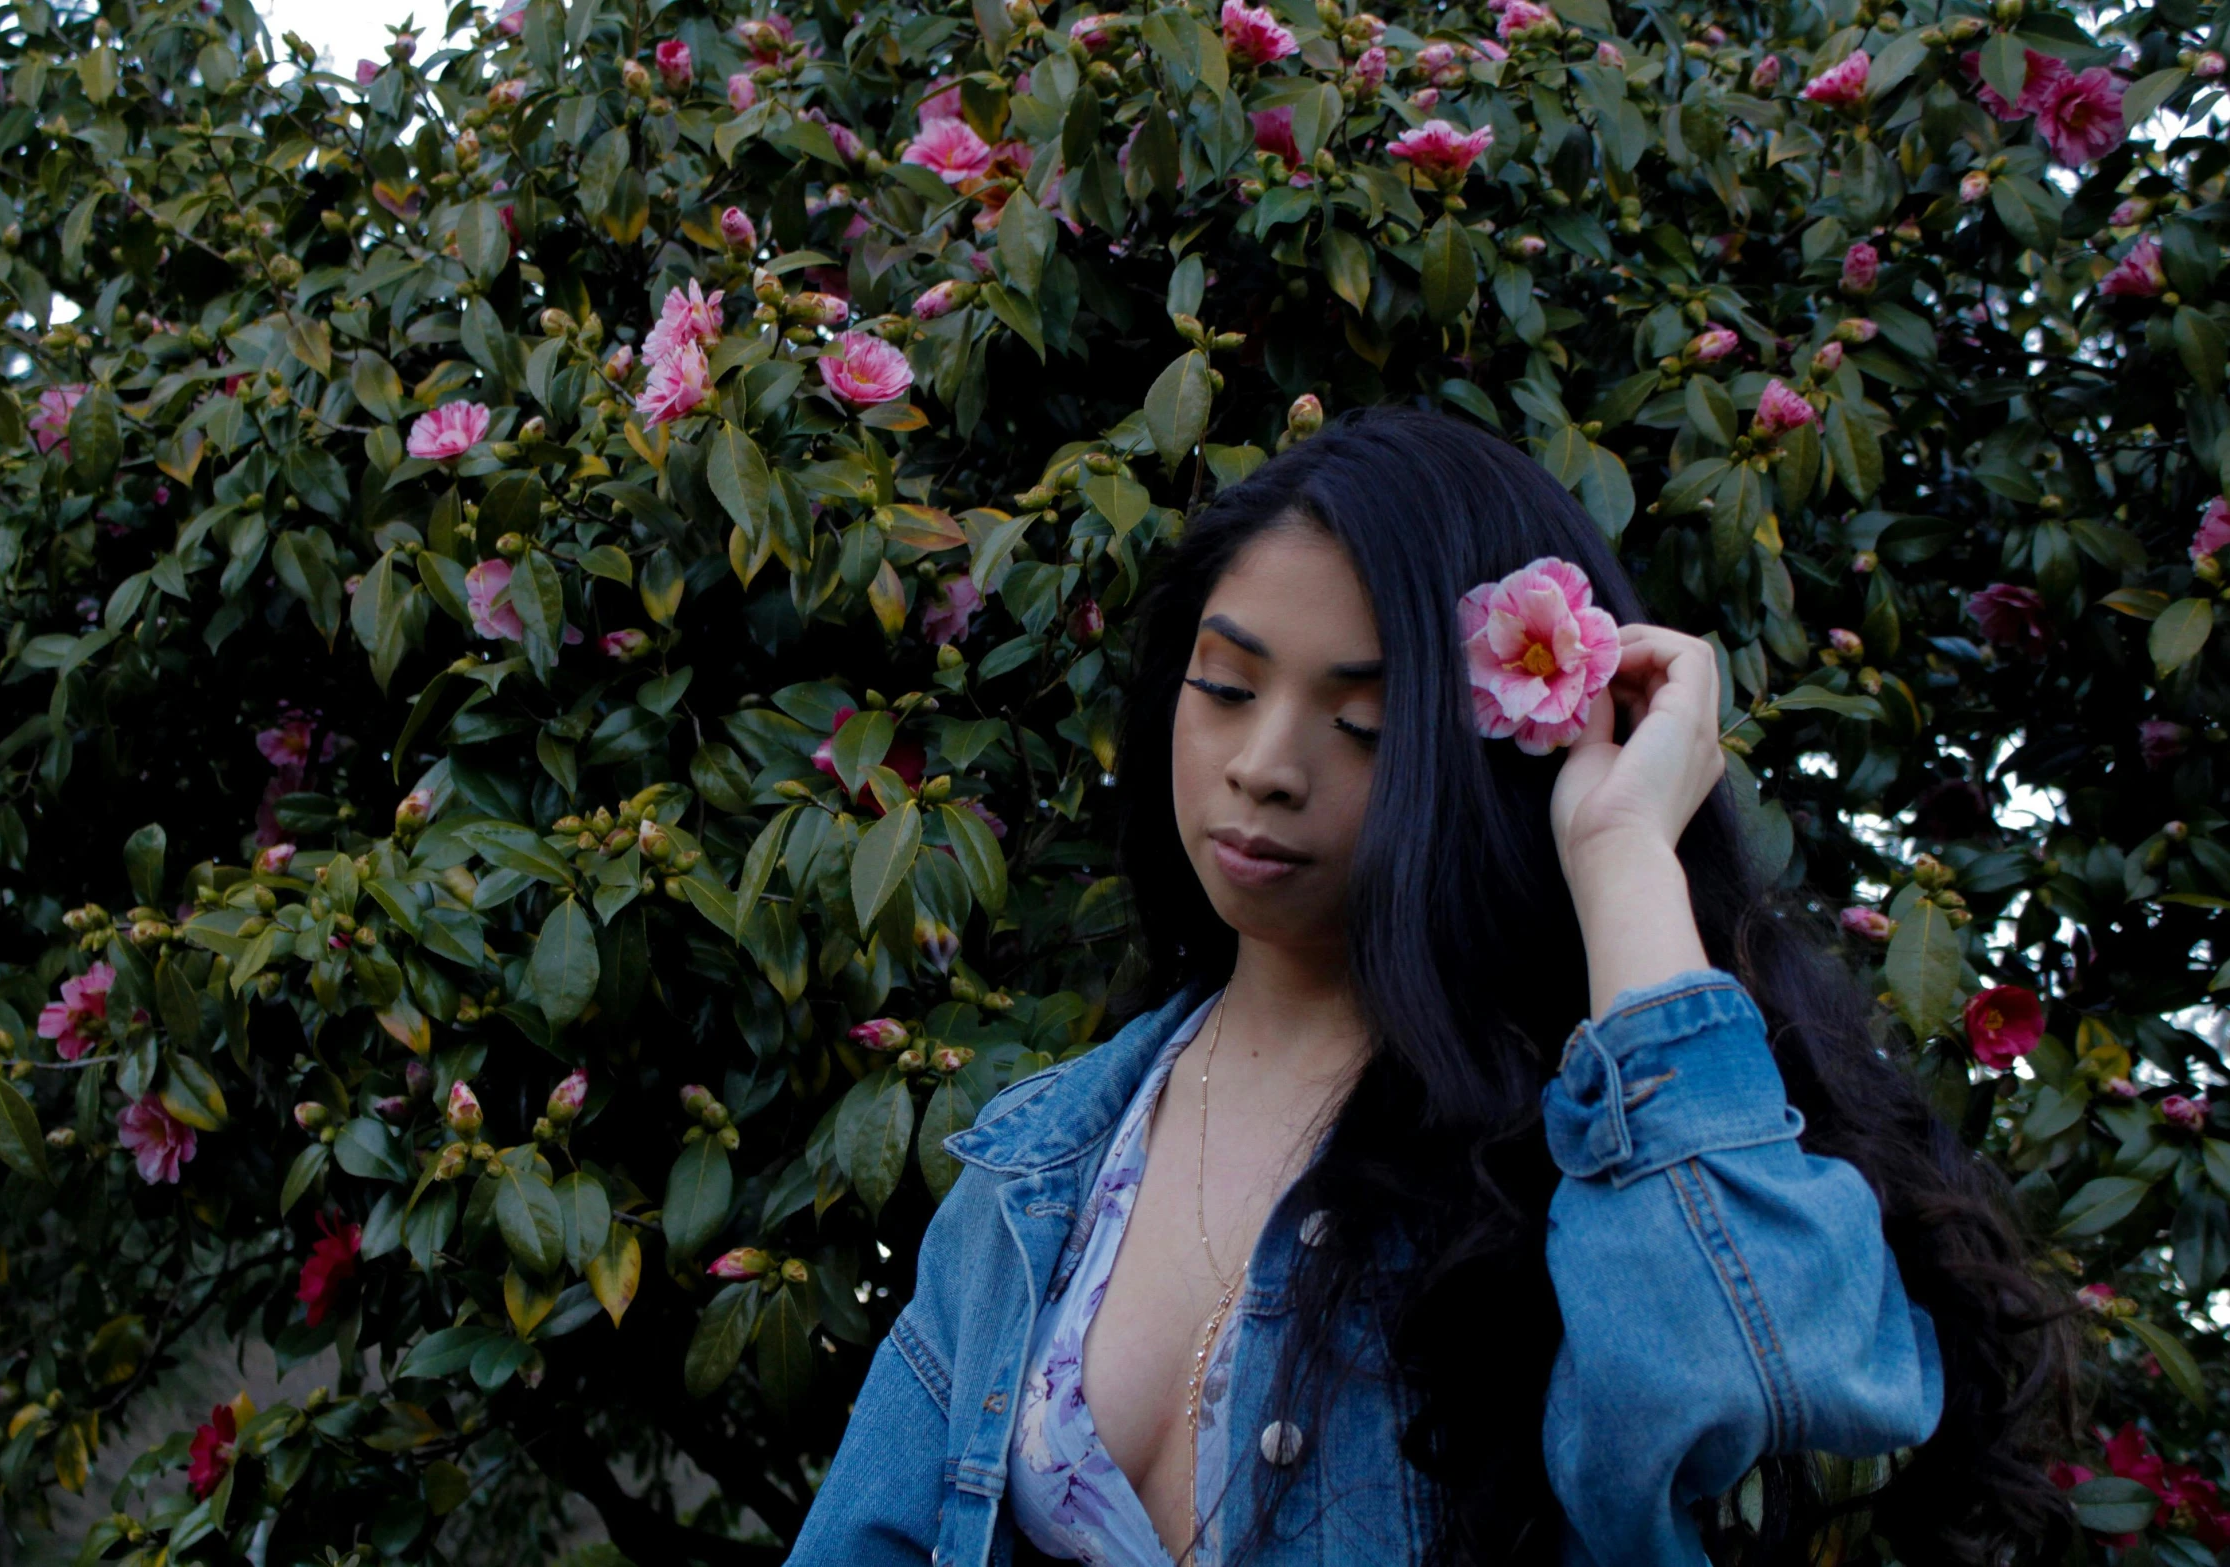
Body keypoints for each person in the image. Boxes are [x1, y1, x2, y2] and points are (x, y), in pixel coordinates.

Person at [786, 407, 2079, 1567]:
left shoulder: (1560, 1179)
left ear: (1488, 748)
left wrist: (1621, 852)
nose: (1265, 765)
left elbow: (1765, 1370)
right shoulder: (1037, 1168)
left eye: (1362, 723)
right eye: (1226, 687)